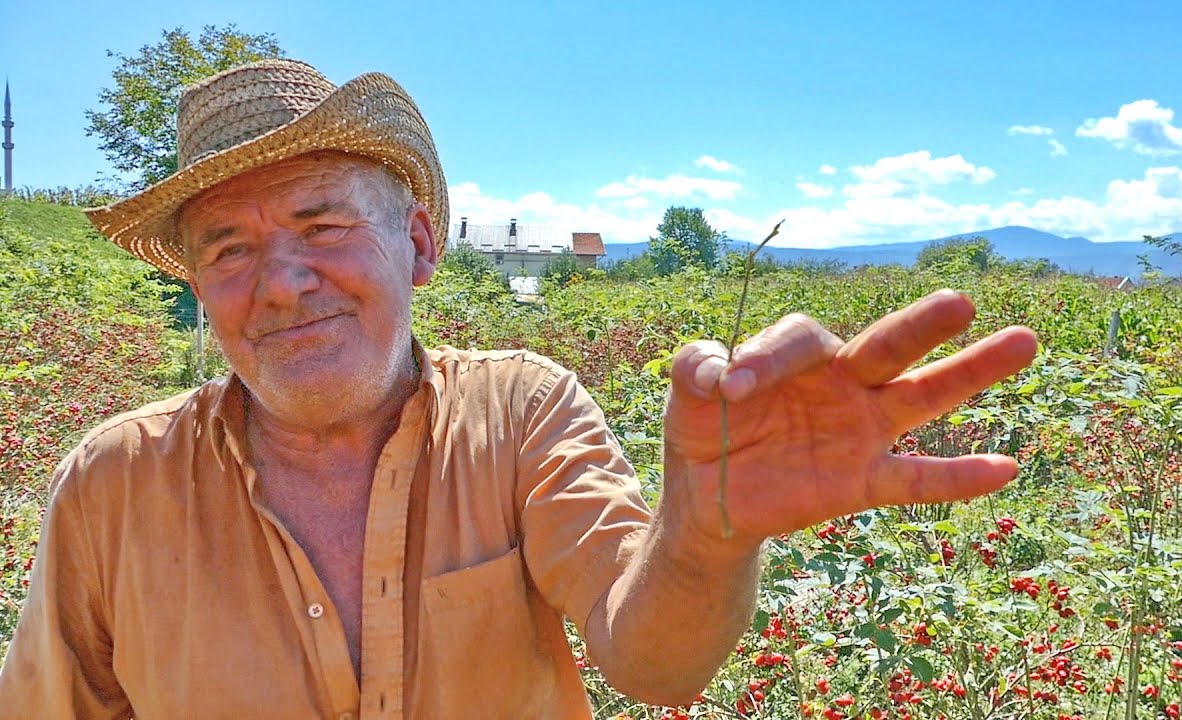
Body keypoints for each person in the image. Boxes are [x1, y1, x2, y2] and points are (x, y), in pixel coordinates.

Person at [0, 59, 1037, 718]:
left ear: (415, 243)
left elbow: (654, 663)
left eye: (322, 226)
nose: (280, 283)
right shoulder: (114, 481)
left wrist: (708, 536)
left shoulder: (520, 412)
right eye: (227, 250)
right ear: (199, 288)